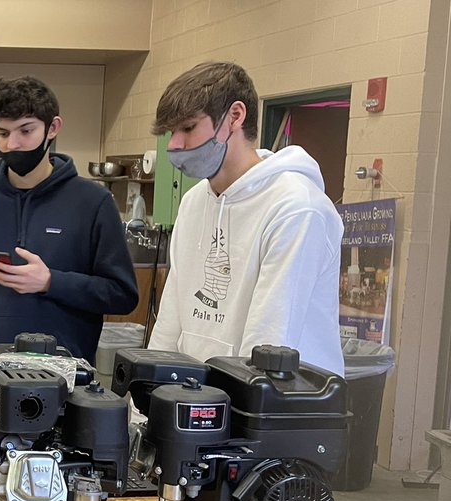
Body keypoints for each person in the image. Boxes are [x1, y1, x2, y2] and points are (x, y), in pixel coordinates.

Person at [0, 75, 139, 439]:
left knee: (58, 493)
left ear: (52, 128)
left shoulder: (93, 203)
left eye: (26, 131)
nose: (13, 144)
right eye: (2, 133)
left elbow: (121, 293)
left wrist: (51, 282)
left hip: (64, 386)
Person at [147, 61, 343, 373]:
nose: (174, 145)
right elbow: (171, 319)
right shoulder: (194, 201)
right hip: (203, 402)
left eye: (187, 128)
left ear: (235, 117)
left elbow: (268, 343)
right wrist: (148, 395)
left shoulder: (297, 208)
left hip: (274, 411)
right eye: (171, 132)